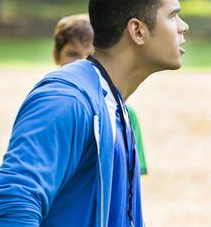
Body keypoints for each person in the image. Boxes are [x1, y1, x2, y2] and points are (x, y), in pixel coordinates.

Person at [0, 0, 188, 227]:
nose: (183, 26)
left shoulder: (115, 105)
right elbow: (16, 199)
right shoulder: (66, 99)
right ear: (138, 30)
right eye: (172, 15)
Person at [53, 13, 148, 174]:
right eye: (73, 54)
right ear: (56, 55)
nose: (82, 63)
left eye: (91, 56)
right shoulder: (47, 107)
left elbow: (129, 183)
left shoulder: (124, 115)